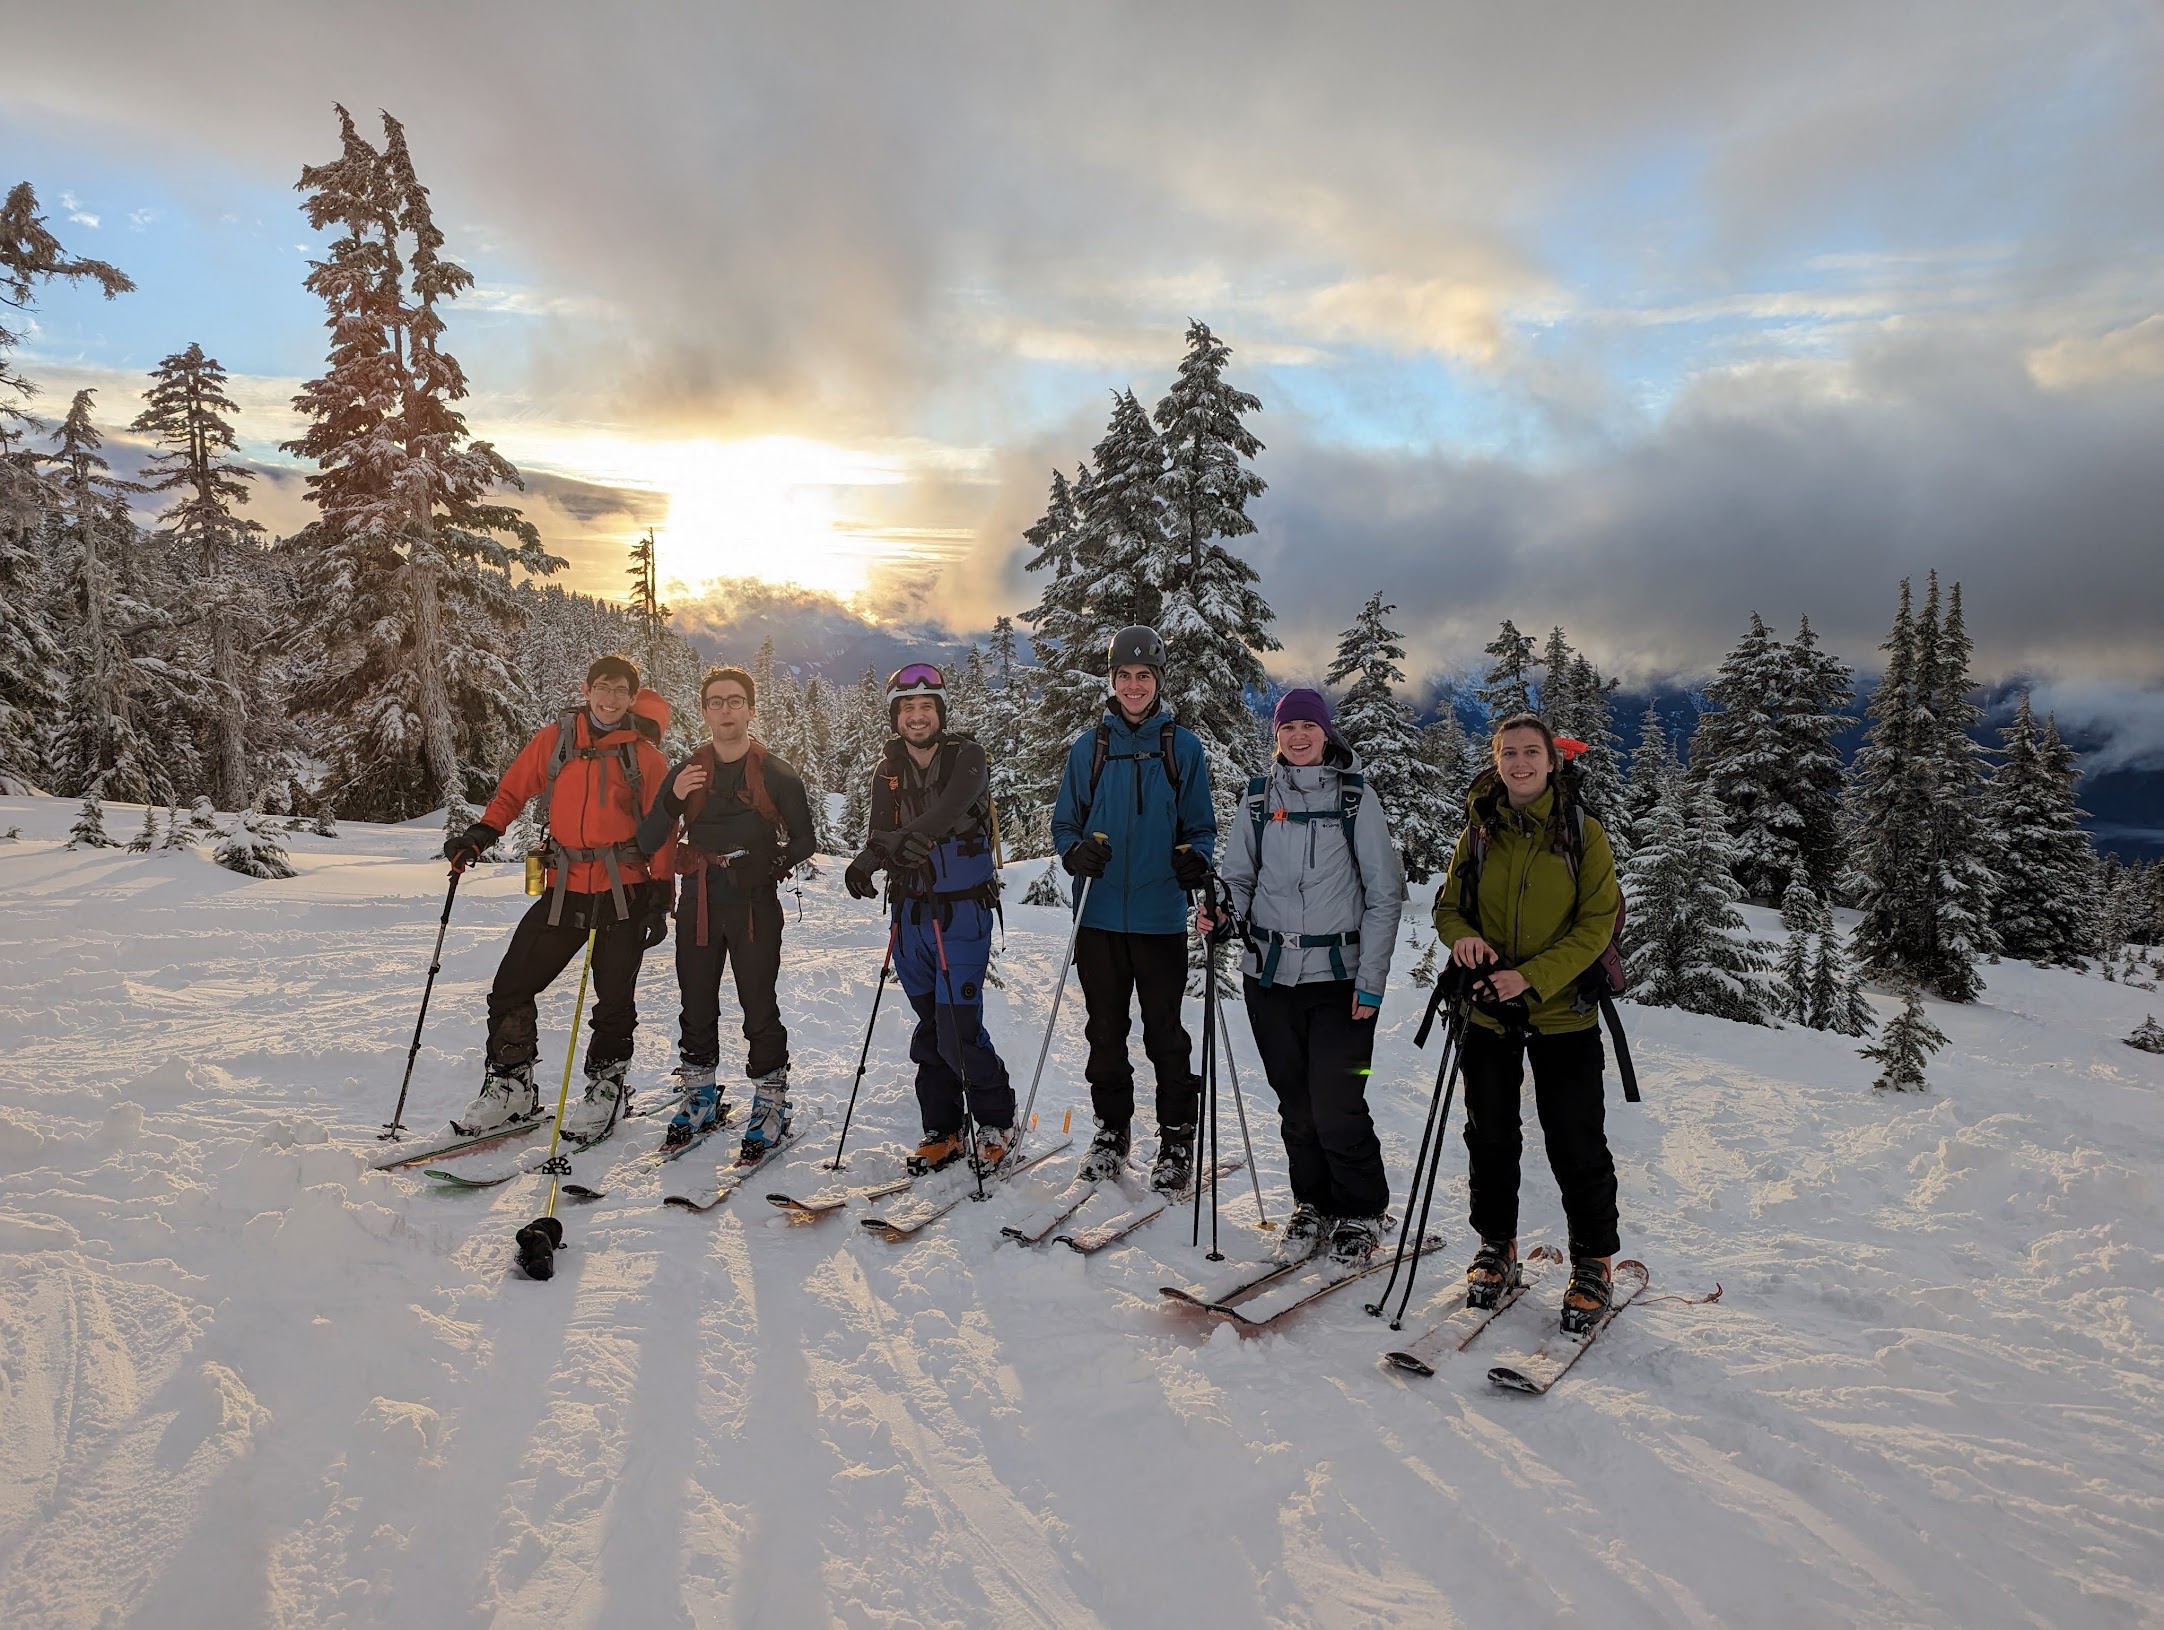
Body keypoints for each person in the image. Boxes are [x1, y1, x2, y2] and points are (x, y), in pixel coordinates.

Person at [1431, 712, 1624, 1334]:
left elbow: (1596, 924)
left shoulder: (1582, 833)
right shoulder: (1481, 828)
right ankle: (1497, 1248)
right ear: (1496, 760)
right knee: (1489, 1135)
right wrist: (1462, 941)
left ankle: (1593, 1260)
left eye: (1530, 753)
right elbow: (1448, 905)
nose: (1519, 763)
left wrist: (1531, 976)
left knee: (1575, 1139)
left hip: (1564, 1012)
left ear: (1552, 761)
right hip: (1487, 1011)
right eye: (1508, 753)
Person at [1204, 688, 1406, 1266]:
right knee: (1295, 1103)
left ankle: (1362, 1210)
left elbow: (1384, 895)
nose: (1298, 736)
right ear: (1277, 734)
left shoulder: (1354, 800)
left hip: (1339, 978)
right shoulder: (1256, 799)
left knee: (1337, 1101)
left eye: (1308, 727)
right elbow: (1238, 878)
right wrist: (1223, 914)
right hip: (1268, 977)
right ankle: (1312, 1203)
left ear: (1326, 733)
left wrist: (1371, 981)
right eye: (1288, 727)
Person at [444, 654, 676, 1141]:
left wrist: (661, 890)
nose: (610, 699)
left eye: (620, 691)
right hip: (563, 889)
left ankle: (607, 1087)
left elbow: (664, 827)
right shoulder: (555, 741)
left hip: (623, 890)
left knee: (615, 998)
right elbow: (513, 790)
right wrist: (482, 832)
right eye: (602, 688)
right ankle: (512, 1086)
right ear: (586, 689)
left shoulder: (647, 757)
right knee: (512, 984)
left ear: (632, 698)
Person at [1049, 626, 1217, 1191]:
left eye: (1144, 676)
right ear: (1113, 682)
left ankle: (1175, 1137)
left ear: (1158, 681)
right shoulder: (1089, 747)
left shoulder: (1182, 747)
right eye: (1125, 676)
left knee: (1165, 1033)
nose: (1135, 685)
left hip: (1160, 916)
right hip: (1097, 917)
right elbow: (1064, 824)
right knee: (1105, 1030)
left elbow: (1200, 827)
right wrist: (1076, 854)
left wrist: (1196, 859)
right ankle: (1111, 1131)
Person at [844, 663, 1017, 1173]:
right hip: (910, 915)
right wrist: (871, 859)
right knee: (930, 1028)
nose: (917, 717)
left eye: (926, 707)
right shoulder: (887, 771)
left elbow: (946, 812)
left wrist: (884, 850)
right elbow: (882, 828)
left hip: (961, 913)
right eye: (907, 708)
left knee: (958, 1032)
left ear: (940, 712)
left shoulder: (968, 757)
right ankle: (942, 1129)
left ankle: (996, 1120)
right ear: (895, 716)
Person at [637, 665, 816, 1156]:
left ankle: (771, 1099)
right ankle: (699, 1093)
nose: (726, 709)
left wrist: (773, 861)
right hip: (699, 897)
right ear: (704, 711)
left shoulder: (775, 771)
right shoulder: (688, 772)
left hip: (754, 902)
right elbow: (649, 839)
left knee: (758, 1001)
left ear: (751, 709)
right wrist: (672, 799)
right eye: (716, 701)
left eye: (735, 700)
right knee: (695, 998)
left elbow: (805, 838)